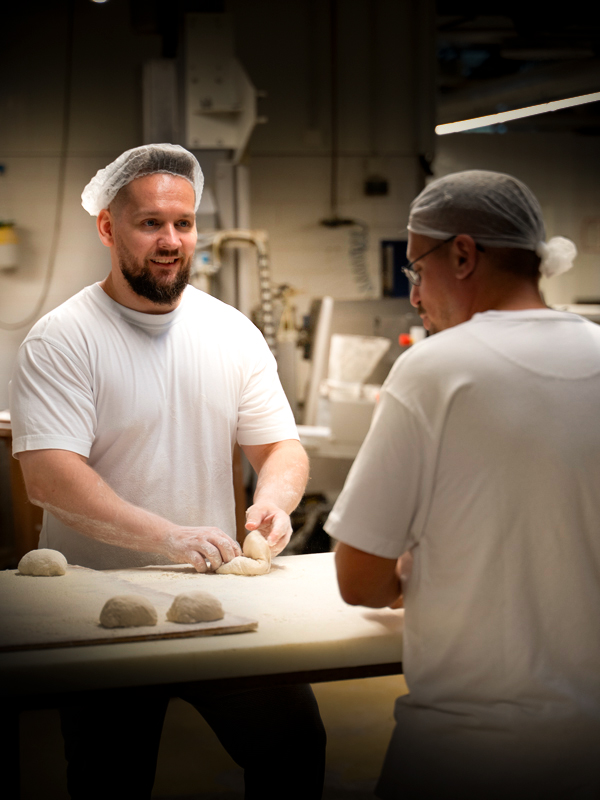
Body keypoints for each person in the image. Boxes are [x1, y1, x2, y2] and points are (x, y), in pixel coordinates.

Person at [9, 144, 325, 800]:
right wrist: (167, 536)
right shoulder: (62, 337)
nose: (171, 240)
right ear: (107, 228)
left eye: (183, 223)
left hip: (221, 597)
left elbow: (281, 449)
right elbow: (49, 476)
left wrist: (275, 499)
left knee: (294, 745)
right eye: (151, 223)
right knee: (110, 782)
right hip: (97, 609)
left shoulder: (230, 331)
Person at [326, 170, 600, 799]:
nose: (416, 296)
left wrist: (414, 578)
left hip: (466, 753)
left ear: (463, 253)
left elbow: (358, 579)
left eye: (417, 270)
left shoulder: (434, 369)